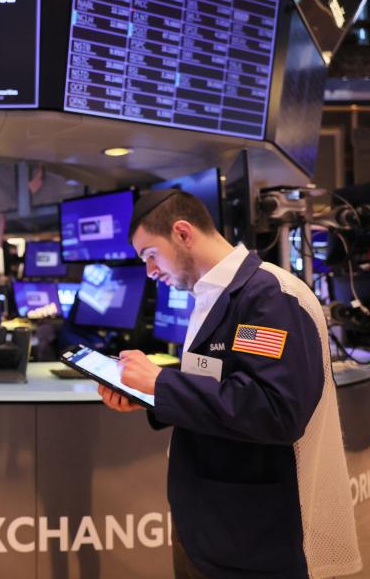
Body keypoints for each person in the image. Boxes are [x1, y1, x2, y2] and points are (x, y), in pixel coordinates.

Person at [98, 189, 361, 578]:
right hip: (209, 523)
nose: (149, 272)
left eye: (150, 255)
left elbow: (274, 411)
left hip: (256, 538)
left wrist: (162, 383)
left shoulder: (269, 296)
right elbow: (218, 386)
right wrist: (150, 395)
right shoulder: (209, 296)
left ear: (183, 233)